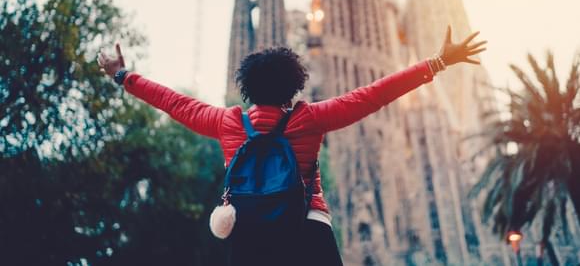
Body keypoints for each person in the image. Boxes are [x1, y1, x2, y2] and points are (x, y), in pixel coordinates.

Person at [97, 25, 486, 266]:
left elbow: (173, 102)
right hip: (307, 229)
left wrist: (123, 75)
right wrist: (436, 62)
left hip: (248, 233)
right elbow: (373, 95)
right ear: (294, 86)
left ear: (248, 88)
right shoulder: (309, 118)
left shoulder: (228, 122)